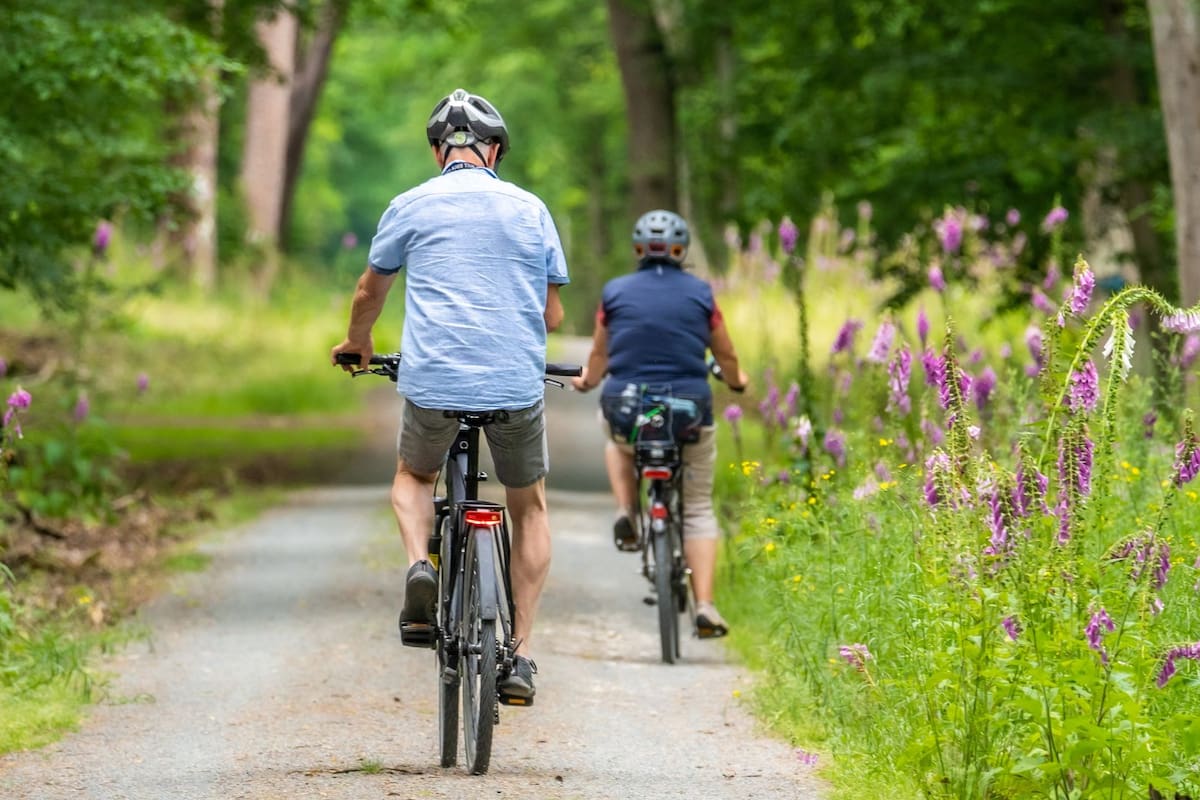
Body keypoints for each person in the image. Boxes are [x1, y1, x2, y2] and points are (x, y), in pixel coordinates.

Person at [331, 88, 569, 701]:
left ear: (440, 151)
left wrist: (359, 343)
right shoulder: (530, 208)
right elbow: (553, 312)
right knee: (530, 505)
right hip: (515, 383)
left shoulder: (410, 204)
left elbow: (368, 291)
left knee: (413, 477)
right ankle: (519, 658)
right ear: (494, 150)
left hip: (434, 381)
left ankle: (420, 565)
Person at [572, 209, 748, 638]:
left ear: (637, 249)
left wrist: (588, 381)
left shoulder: (614, 292)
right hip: (688, 411)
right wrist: (738, 381)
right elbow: (724, 354)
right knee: (699, 508)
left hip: (628, 409)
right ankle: (705, 605)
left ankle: (627, 510)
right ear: (680, 249)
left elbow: (599, 356)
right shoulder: (702, 294)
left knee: (615, 439)